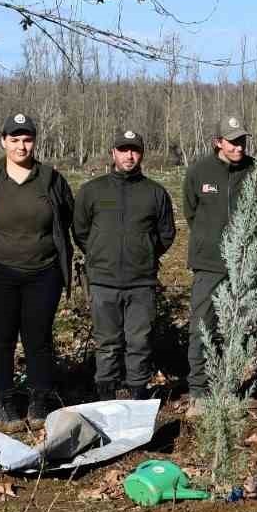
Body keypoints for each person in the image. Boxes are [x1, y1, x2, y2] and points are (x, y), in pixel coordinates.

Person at [0, 113, 75, 427]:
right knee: (1, 339)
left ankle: (40, 400)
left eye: (27, 139)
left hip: (44, 272)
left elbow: (67, 216)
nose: (21, 146)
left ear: (34, 142)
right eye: (14, 140)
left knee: (38, 338)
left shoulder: (51, 179)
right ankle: (6, 402)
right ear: (3, 141)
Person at [72, 129, 176, 400]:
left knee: (139, 342)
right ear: (113, 153)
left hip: (141, 283)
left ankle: (138, 394)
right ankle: (105, 394)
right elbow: (80, 231)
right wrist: (98, 253)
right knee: (107, 343)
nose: (129, 155)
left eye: (134, 150)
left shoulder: (155, 193)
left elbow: (166, 234)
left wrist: (145, 255)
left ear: (141, 154)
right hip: (103, 281)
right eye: (123, 149)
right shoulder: (93, 191)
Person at [182, 115, 257, 399]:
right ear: (218, 142)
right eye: (233, 142)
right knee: (203, 326)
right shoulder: (199, 171)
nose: (239, 147)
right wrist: (211, 240)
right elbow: (191, 211)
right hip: (209, 263)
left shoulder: (255, 171)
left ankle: (229, 385)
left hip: (243, 264)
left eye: (242, 141)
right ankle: (199, 391)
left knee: (238, 328)